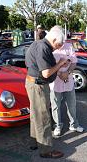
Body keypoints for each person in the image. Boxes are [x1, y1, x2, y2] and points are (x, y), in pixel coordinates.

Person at [25, 26, 68, 159]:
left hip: (32, 83)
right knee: (43, 117)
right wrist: (60, 63)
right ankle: (46, 150)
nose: (59, 47)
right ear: (53, 39)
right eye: (59, 44)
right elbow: (46, 73)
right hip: (38, 86)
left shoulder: (38, 43)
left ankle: (34, 142)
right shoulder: (44, 47)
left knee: (35, 115)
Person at [50, 42, 84, 137]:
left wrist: (68, 72)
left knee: (71, 104)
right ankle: (57, 126)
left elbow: (74, 62)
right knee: (55, 106)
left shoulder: (68, 46)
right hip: (55, 83)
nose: (60, 44)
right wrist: (60, 74)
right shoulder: (50, 48)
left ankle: (74, 125)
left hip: (69, 82)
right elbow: (48, 66)